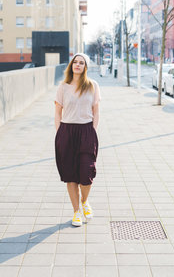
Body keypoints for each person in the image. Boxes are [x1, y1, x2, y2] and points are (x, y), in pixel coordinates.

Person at [54, 53, 100, 226]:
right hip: (67, 131)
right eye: (75, 62)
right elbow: (58, 111)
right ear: (71, 65)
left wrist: (93, 132)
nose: (78, 65)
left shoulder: (93, 86)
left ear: (85, 67)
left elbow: (96, 111)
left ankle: (85, 201)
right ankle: (76, 213)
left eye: (81, 63)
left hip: (86, 131)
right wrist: (59, 133)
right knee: (70, 175)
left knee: (87, 173)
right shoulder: (63, 87)